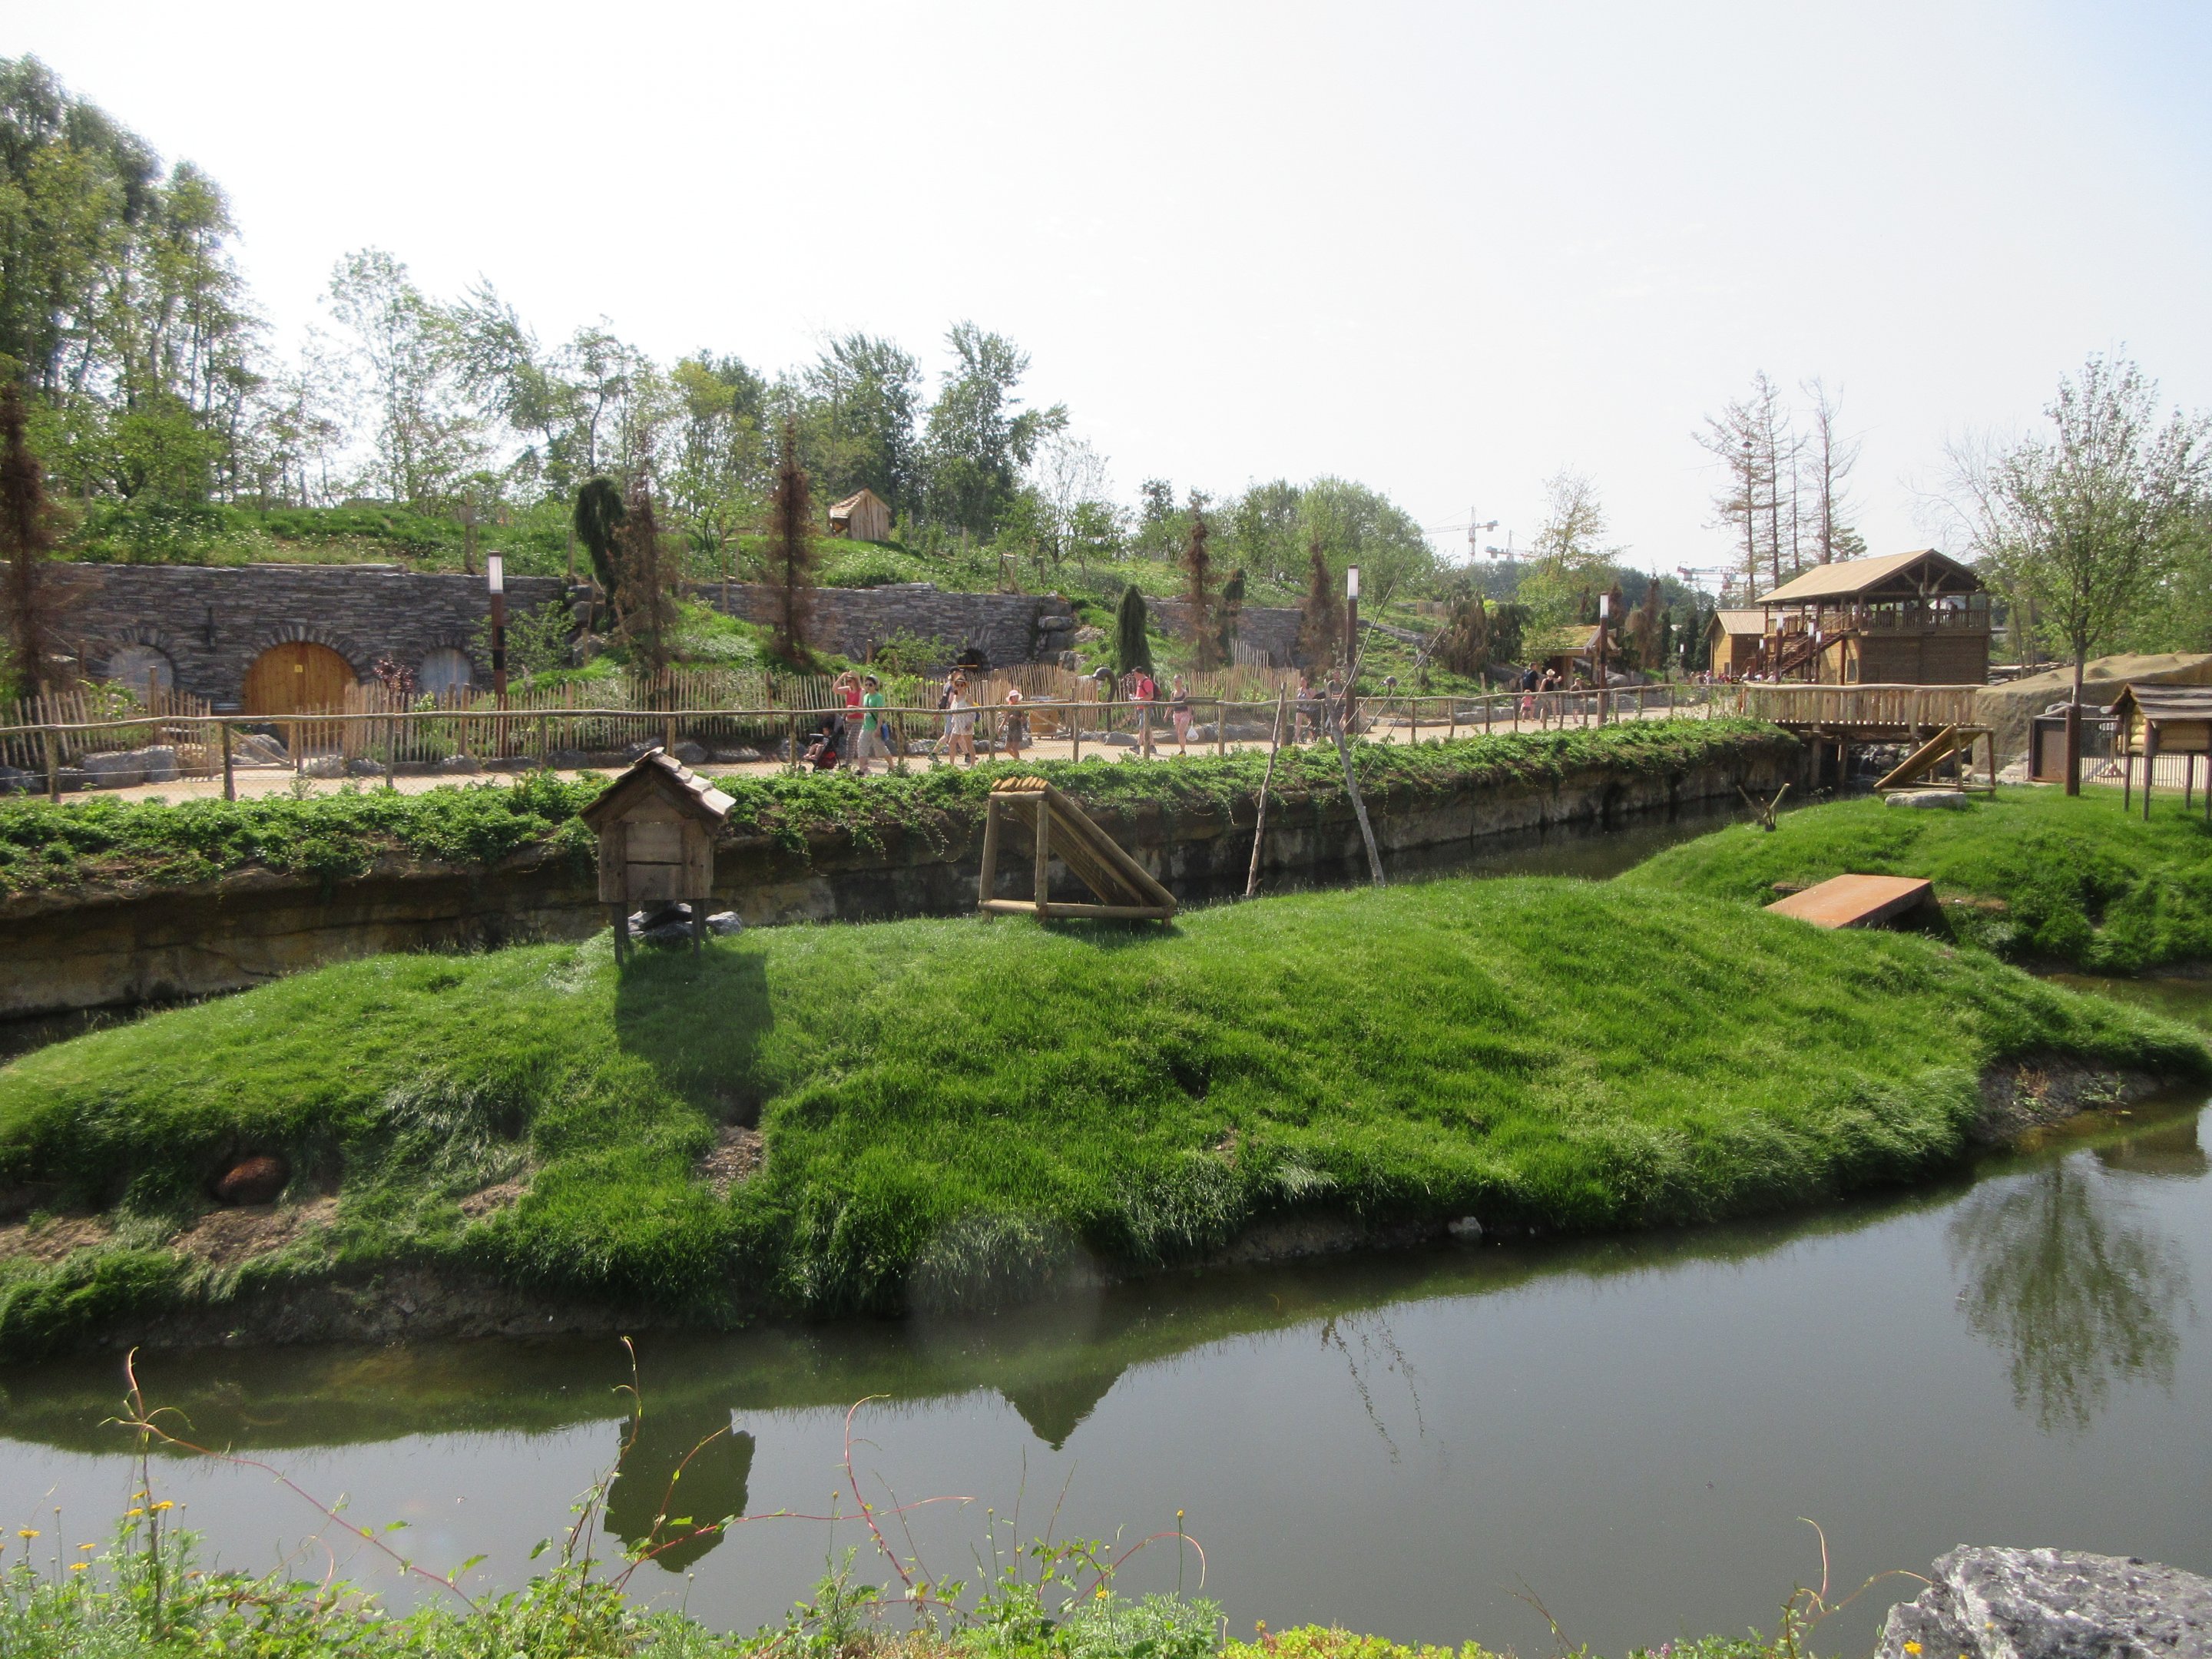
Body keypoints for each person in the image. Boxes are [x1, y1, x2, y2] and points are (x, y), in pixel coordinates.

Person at [851, 673, 889, 776]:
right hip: (866, 726)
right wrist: (855, 709)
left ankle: (892, 766)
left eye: (870, 685)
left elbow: (880, 714)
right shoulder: (866, 696)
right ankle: (861, 769)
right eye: (866, 684)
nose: (868, 686)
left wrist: (878, 729)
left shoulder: (878, 697)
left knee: (881, 748)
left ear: (875, 686)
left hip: (875, 727)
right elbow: (865, 711)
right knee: (861, 746)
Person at [942, 671, 977, 767]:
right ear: (955, 686)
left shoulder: (968, 697)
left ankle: (973, 764)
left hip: (966, 723)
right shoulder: (955, 697)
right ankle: (952, 764)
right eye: (958, 685)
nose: (960, 687)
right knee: (951, 743)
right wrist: (953, 722)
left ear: (965, 686)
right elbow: (953, 711)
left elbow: (973, 711)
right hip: (957, 723)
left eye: (962, 685)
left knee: (969, 744)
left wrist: (970, 723)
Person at [833, 670, 863, 769]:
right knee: (853, 743)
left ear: (855, 681)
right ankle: (862, 763)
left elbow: (860, 707)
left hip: (858, 720)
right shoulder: (848, 690)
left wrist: (850, 710)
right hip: (849, 720)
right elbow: (835, 689)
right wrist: (841, 677)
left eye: (850, 681)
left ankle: (848, 764)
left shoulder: (861, 691)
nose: (848, 683)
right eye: (847, 681)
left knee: (851, 740)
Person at [1131, 667, 1157, 758]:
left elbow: (1151, 695)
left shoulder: (1147, 682)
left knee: (1142, 727)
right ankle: (1152, 746)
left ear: (1140, 673)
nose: (1134, 676)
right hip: (1141, 708)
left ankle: (1138, 746)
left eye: (1135, 674)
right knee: (1147, 727)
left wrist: (1140, 700)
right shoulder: (1140, 682)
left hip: (1146, 709)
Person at [1000, 686, 1028, 761]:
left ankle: (1017, 761)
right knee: (1007, 747)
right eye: (1014, 697)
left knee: (1014, 748)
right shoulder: (1009, 707)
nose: (1016, 698)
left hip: (1017, 729)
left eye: (1017, 697)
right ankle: (1017, 759)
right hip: (1010, 729)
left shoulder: (1019, 708)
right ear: (1011, 698)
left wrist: (1017, 718)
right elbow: (1006, 718)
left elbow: (1025, 720)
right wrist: (1001, 726)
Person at [1169, 674, 1192, 753]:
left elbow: (1189, 704)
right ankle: (1182, 749)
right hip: (1176, 714)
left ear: (1181, 682)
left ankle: (1183, 750)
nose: (1175, 683)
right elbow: (1170, 705)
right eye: (1174, 682)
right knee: (1179, 733)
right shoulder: (1173, 693)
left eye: (1176, 682)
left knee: (1181, 731)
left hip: (1184, 714)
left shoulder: (1185, 693)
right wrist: (1166, 715)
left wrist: (1190, 714)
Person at [1295, 670, 1319, 743]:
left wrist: (1306, 692)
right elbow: (1297, 698)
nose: (1302, 683)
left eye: (1303, 682)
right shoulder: (1299, 690)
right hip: (1300, 708)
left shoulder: (1310, 690)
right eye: (1301, 681)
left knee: (1309, 723)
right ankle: (1296, 737)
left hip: (1308, 708)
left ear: (1307, 682)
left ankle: (1312, 737)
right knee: (1298, 722)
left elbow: (1312, 698)